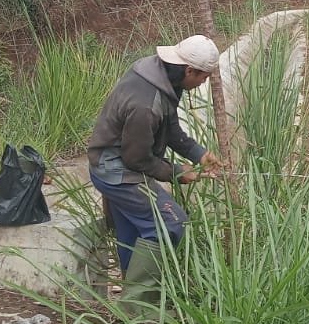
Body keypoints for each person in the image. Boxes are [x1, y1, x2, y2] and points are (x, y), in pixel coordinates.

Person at [87, 35, 223, 308]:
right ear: (189, 70)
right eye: (204, 77)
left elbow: (170, 127)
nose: (204, 83)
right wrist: (176, 173)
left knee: (134, 232)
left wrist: (199, 154)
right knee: (171, 225)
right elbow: (137, 159)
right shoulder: (145, 104)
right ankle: (138, 308)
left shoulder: (160, 75)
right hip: (117, 172)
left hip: (115, 164)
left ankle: (131, 300)